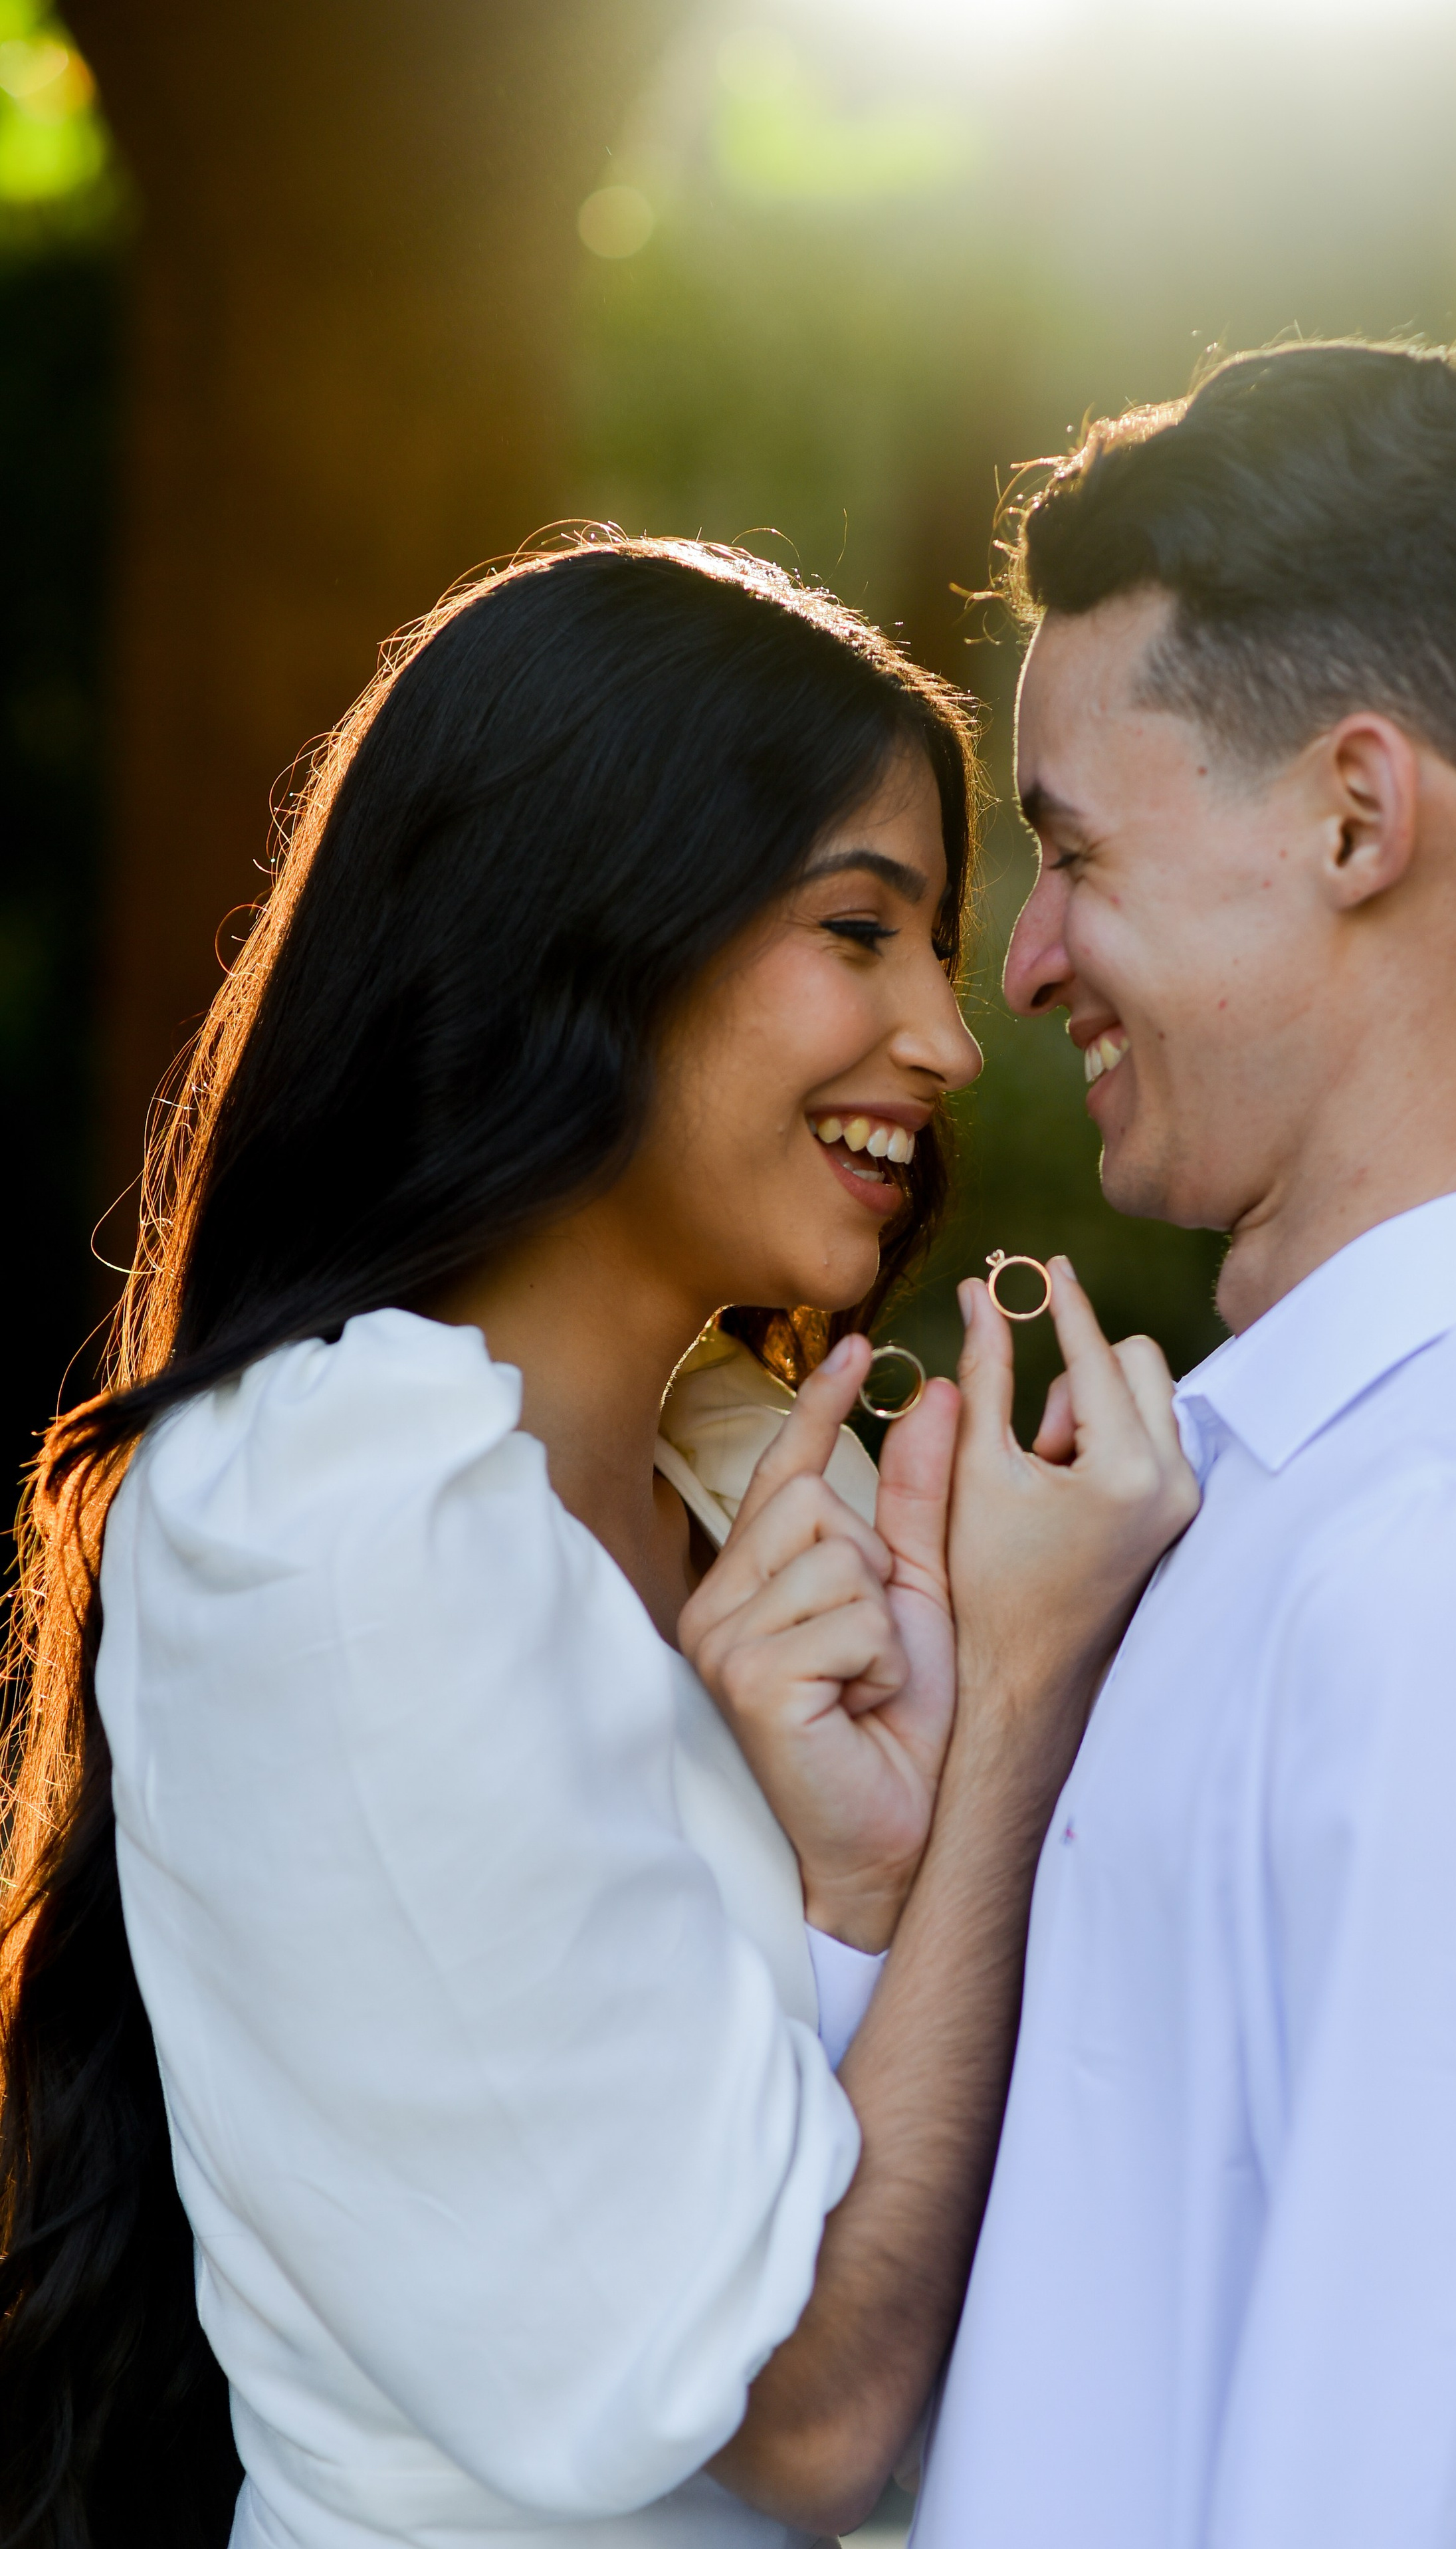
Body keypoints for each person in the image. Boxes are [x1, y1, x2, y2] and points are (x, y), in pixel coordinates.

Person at [0, 538, 1199, 2549]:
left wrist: (868, 1878)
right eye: (858, 927)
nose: (948, 1035)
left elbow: (836, 2233)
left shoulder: (753, 1501)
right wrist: (1020, 1719)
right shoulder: (335, 1504)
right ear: (597, 919)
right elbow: (807, 2414)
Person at [912, 342, 1456, 2549]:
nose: (1030, 959)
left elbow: (1416, 2473)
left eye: (1073, 850)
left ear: (1358, 815)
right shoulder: (1289, 1496)